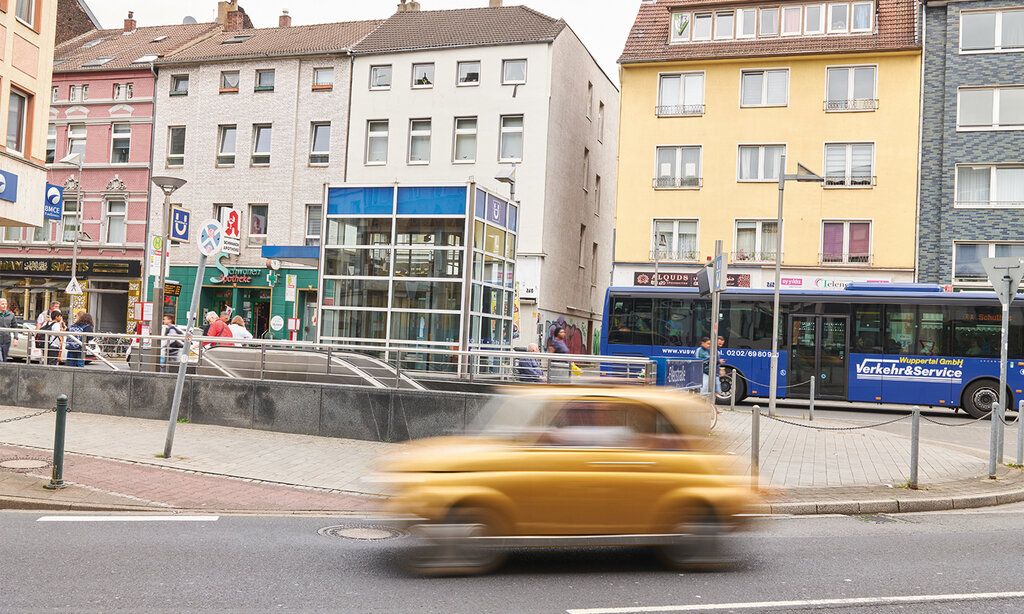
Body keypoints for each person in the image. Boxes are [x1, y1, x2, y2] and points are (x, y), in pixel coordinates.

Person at [0, 298, 15, 363]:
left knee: (4, 359)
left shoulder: (11, 314)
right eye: (2, 304)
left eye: (5, 304)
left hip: (6, 340)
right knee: (0, 359)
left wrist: (16, 338)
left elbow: (15, 327)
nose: (4, 305)